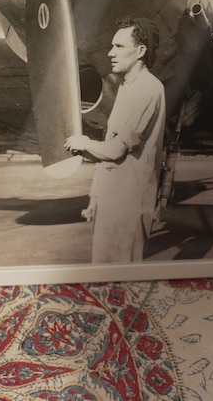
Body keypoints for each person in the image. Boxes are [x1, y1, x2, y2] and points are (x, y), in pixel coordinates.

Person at [64, 16, 166, 263]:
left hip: (127, 207)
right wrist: (95, 198)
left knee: (118, 280)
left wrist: (84, 142)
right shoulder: (128, 86)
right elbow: (111, 152)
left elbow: (116, 151)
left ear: (141, 51)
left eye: (119, 46)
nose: (110, 53)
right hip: (114, 203)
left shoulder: (146, 88)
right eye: (112, 46)